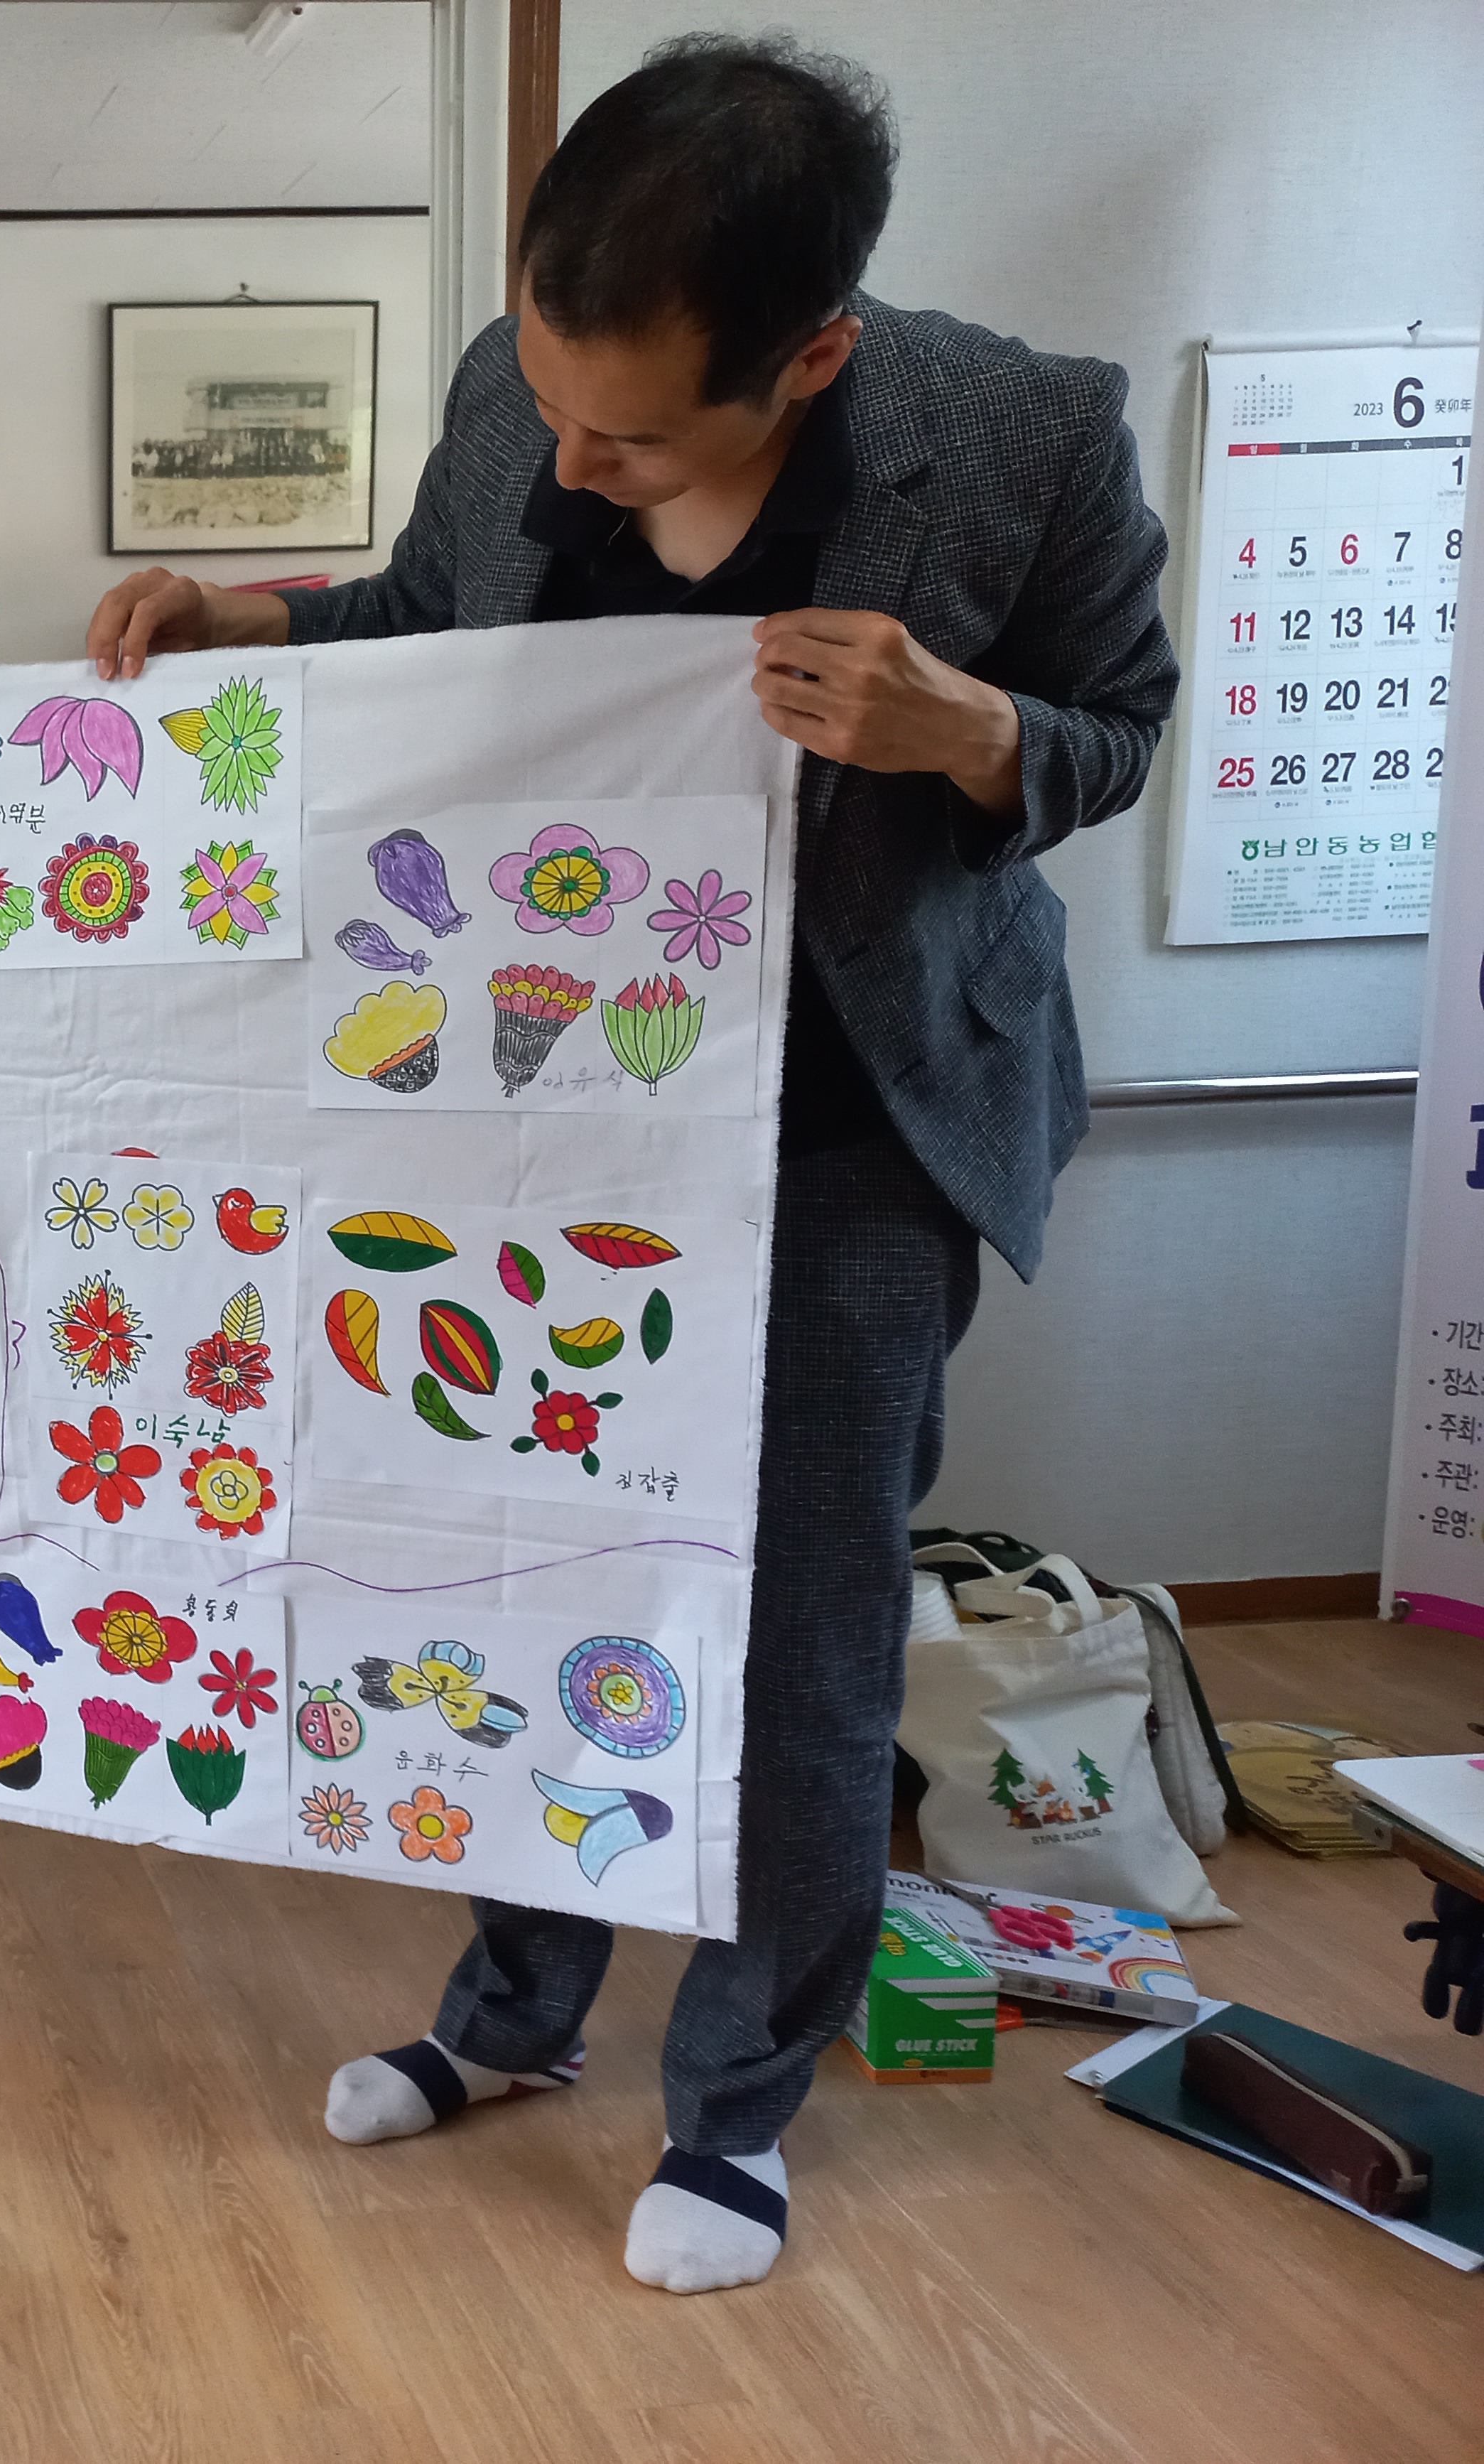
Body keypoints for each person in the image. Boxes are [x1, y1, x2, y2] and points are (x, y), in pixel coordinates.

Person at [90, 37, 1174, 2292]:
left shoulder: (1028, 435)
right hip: (537, 1107)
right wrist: (246, 623)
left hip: (852, 1121)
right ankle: (513, 2012)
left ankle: (740, 2107)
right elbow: (434, 631)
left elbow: (1120, 731)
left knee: (803, 1628)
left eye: (636, 438)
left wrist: (965, 729)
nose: (574, 455)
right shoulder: (522, 386)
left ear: (813, 353)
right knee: (522, 1569)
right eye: (550, 396)